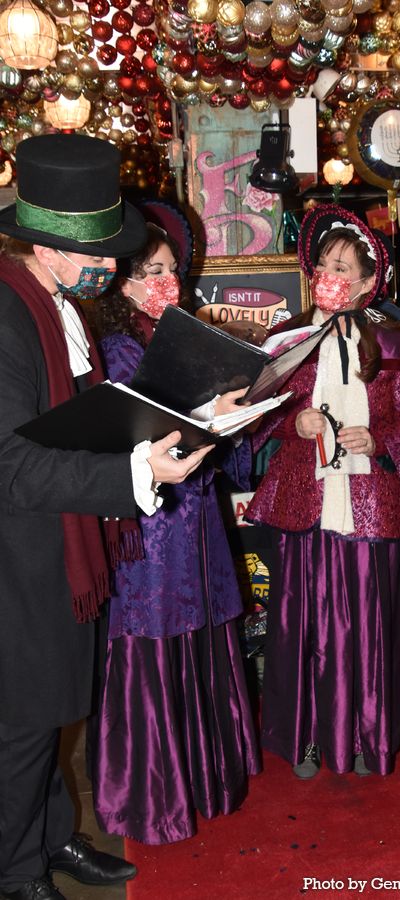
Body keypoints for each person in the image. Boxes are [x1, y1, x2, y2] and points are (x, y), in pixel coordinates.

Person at [0, 134, 215, 900]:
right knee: (23, 728)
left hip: (63, 546)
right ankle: (15, 870)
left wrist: (188, 417)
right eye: (101, 253)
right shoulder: (6, 315)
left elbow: (88, 418)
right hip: (21, 558)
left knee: (50, 714)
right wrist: (136, 472)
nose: (113, 268)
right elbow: (13, 465)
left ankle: (52, 836)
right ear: (48, 241)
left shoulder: (55, 302)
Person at [245, 204, 400, 779]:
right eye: (325, 263)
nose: (334, 275)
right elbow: (257, 415)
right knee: (303, 626)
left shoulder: (397, 342)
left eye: (346, 267)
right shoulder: (286, 339)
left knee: (365, 625)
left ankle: (363, 730)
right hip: (305, 501)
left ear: (370, 280)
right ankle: (306, 734)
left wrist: (377, 440)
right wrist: (291, 424)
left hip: (372, 505)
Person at [92, 222, 260, 844]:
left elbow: (213, 430)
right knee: (155, 643)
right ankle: (153, 795)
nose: (167, 283)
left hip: (200, 515)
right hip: (153, 526)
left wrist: (240, 411)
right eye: (151, 273)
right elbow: (133, 430)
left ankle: (210, 777)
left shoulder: (186, 335)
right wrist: (206, 414)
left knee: (207, 635)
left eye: (171, 271)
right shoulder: (116, 346)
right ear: (122, 284)